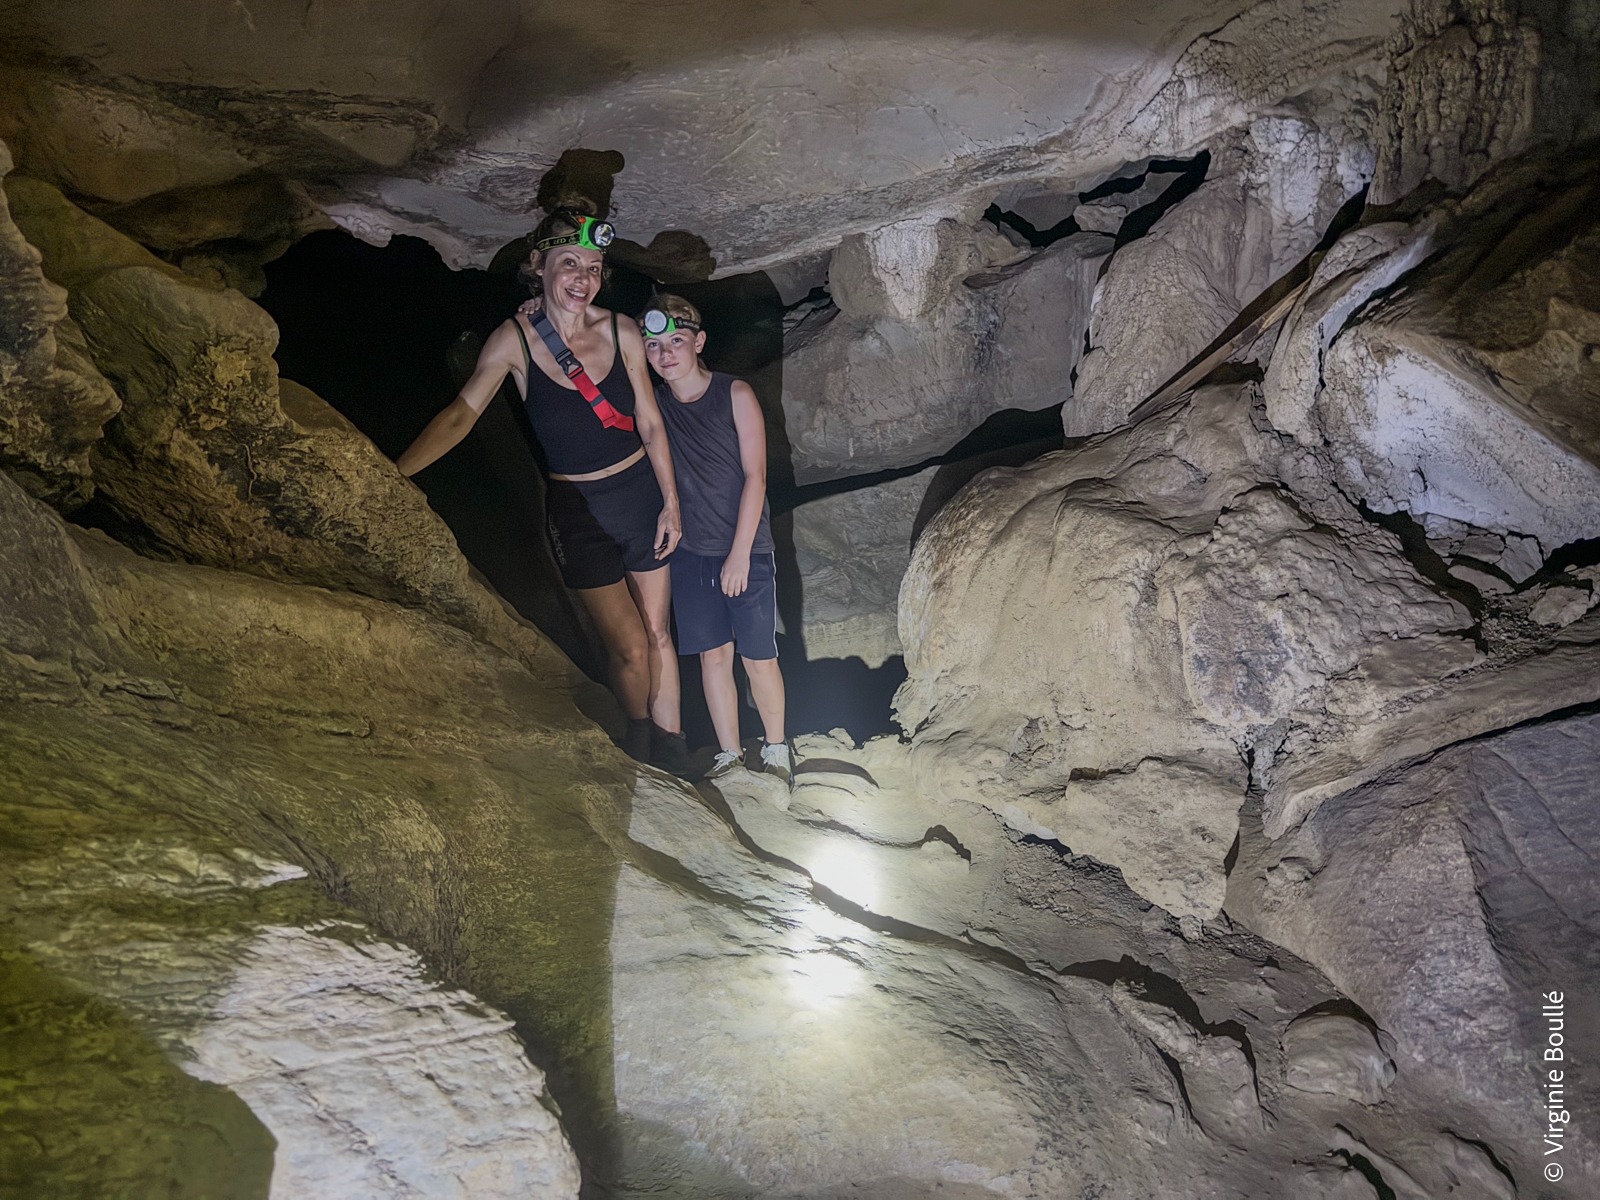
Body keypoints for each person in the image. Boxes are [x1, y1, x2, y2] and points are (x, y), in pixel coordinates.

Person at [396, 205, 692, 775]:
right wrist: (398, 471)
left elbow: (651, 424)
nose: (583, 278)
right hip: (577, 511)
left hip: (640, 499)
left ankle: (674, 749)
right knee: (629, 646)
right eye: (570, 263)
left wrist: (672, 506)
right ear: (540, 265)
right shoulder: (515, 341)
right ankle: (639, 745)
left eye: (595, 266)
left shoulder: (622, 330)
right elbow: (462, 414)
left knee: (659, 632)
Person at [640, 294, 793, 786]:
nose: (666, 354)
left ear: (699, 342)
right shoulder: (656, 404)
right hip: (690, 555)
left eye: (676, 341)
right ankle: (729, 753)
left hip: (745, 550)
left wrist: (740, 555)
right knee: (713, 656)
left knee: (757, 655)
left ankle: (775, 748)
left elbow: (756, 477)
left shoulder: (735, 393)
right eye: (655, 345)